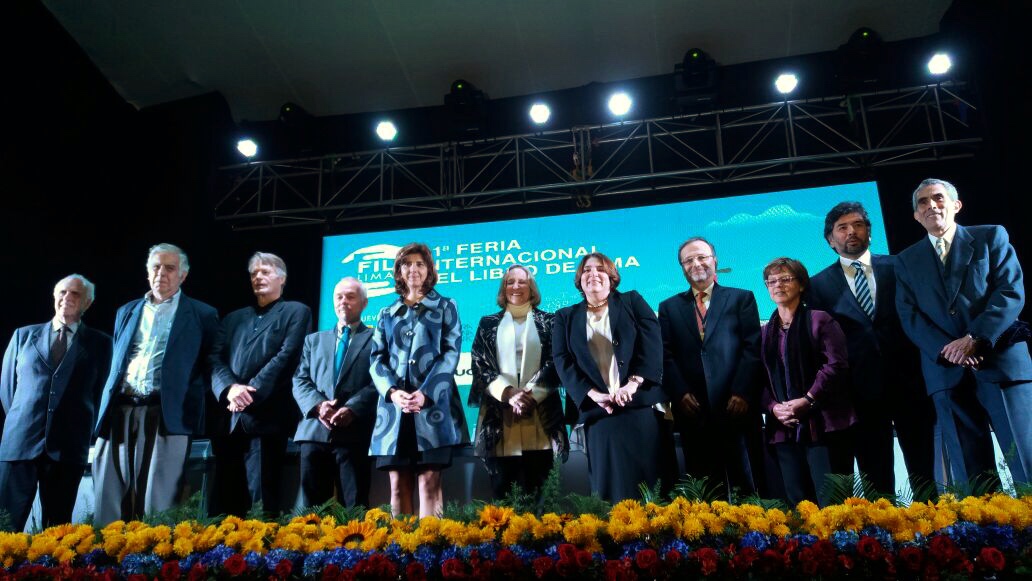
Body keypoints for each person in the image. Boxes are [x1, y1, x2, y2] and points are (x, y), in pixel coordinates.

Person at [895, 178, 1032, 489]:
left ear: (956, 205)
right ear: (916, 216)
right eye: (923, 203)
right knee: (971, 477)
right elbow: (909, 314)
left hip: (999, 362)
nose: (931, 206)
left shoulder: (991, 236)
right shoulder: (905, 260)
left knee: (1025, 459)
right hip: (946, 373)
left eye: (939, 198)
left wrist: (974, 339)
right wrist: (950, 351)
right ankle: (986, 536)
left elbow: (1010, 291)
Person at [92, 243, 225, 526]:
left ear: (183, 276)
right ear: (147, 272)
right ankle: (104, 563)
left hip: (167, 415)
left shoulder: (202, 314)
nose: (161, 273)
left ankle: (151, 565)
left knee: (158, 503)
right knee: (109, 499)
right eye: (155, 267)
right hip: (119, 411)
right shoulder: (126, 311)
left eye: (169, 268)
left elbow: (211, 363)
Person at [808, 202, 935, 496]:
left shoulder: (899, 266)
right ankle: (885, 538)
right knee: (876, 478)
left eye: (858, 225)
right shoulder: (817, 285)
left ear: (869, 232)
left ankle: (936, 533)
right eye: (842, 227)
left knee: (924, 471)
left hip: (912, 385)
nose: (851, 232)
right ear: (830, 240)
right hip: (859, 393)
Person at [552, 252, 672, 502]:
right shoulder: (565, 317)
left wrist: (633, 384)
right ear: (579, 279)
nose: (593, 274)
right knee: (610, 490)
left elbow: (652, 343)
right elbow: (562, 360)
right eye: (586, 270)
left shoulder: (632, 301)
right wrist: (593, 395)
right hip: (599, 414)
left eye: (600, 269)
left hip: (640, 406)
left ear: (612, 277)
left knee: (653, 487)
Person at [0, 275, 111, 530]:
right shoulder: (23, 336)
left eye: (75, 294)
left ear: (88, 302)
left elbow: (101, 391)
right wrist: (26, 420)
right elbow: (8, 390)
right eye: (62, 292)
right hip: (20, 445)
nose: (67, 298)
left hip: (68, 448)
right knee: (5, 525)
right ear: (54, 296)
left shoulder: (100, 344)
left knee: (58, 530)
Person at [658, 238, 762, 499]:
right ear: (682, 267)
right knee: (704, 488)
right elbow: (666, 355)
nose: (696, 263)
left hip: (736, 406)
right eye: (688, 260)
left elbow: (752, 348)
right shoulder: (669, 307)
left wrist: (741, 392)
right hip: (693, 410)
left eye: (702, 257)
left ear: (715, 260)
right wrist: (680, 393)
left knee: (746, 483)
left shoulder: (742, 298)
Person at [369, 243, 468, 517]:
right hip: (393, 413)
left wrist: (425, 394)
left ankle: (429, 552)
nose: (413, 269)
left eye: (420, 264)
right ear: (399, 271)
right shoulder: (385, 314)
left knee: (429, 482)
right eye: (407, 264)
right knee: (398, 486)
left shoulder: (447, 306)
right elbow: (376, 359)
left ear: (429, 270)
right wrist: (392, 393)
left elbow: (451, 353)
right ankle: (399, 555)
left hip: (433, 408)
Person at [210, 252, 312, 517]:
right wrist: (230, 389)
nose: (258, 277)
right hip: (229, 420)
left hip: (267, 418)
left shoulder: (296, 311)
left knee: (262, 504)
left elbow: (287, 356)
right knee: (223, 505)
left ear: (282, 278)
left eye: (265, 271)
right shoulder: (233, 318)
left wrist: (249, 393)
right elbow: (215, 358)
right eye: (254, 273)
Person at [759, 257, 855, 506]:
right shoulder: (764, 332)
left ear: (801, 285)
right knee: (798, 505)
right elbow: (757, 378)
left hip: (823, 424)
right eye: (772, 281)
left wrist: (808, 400)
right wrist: (774, 408)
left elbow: (836, 365)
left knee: (833, 504)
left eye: (785, 279)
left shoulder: (820, 320)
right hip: (783, 428)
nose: (778, 285)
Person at [468, 265, 568, 500]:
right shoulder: (487, 324)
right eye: (510, 282)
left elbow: (557, 362)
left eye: (522, 281)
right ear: (503, 288)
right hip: (500, 422)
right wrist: (509, 393)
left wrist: (530, 395)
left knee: (543, 499)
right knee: (503, 499)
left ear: (531, 287)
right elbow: (479, 364)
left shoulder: (550, 321)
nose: (515, 286)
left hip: (541, 420)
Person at [293, 278, 377, 508]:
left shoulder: (378, 339)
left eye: (350, 296)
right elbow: (300, 379)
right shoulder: (313, 340)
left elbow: (379, 382)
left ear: (364, 302)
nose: (344, 301)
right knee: (312, 511)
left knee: (355, 508)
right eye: (339, 296)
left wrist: (352, 408)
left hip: (354, 432)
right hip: (314, 432)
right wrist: (319, 406)